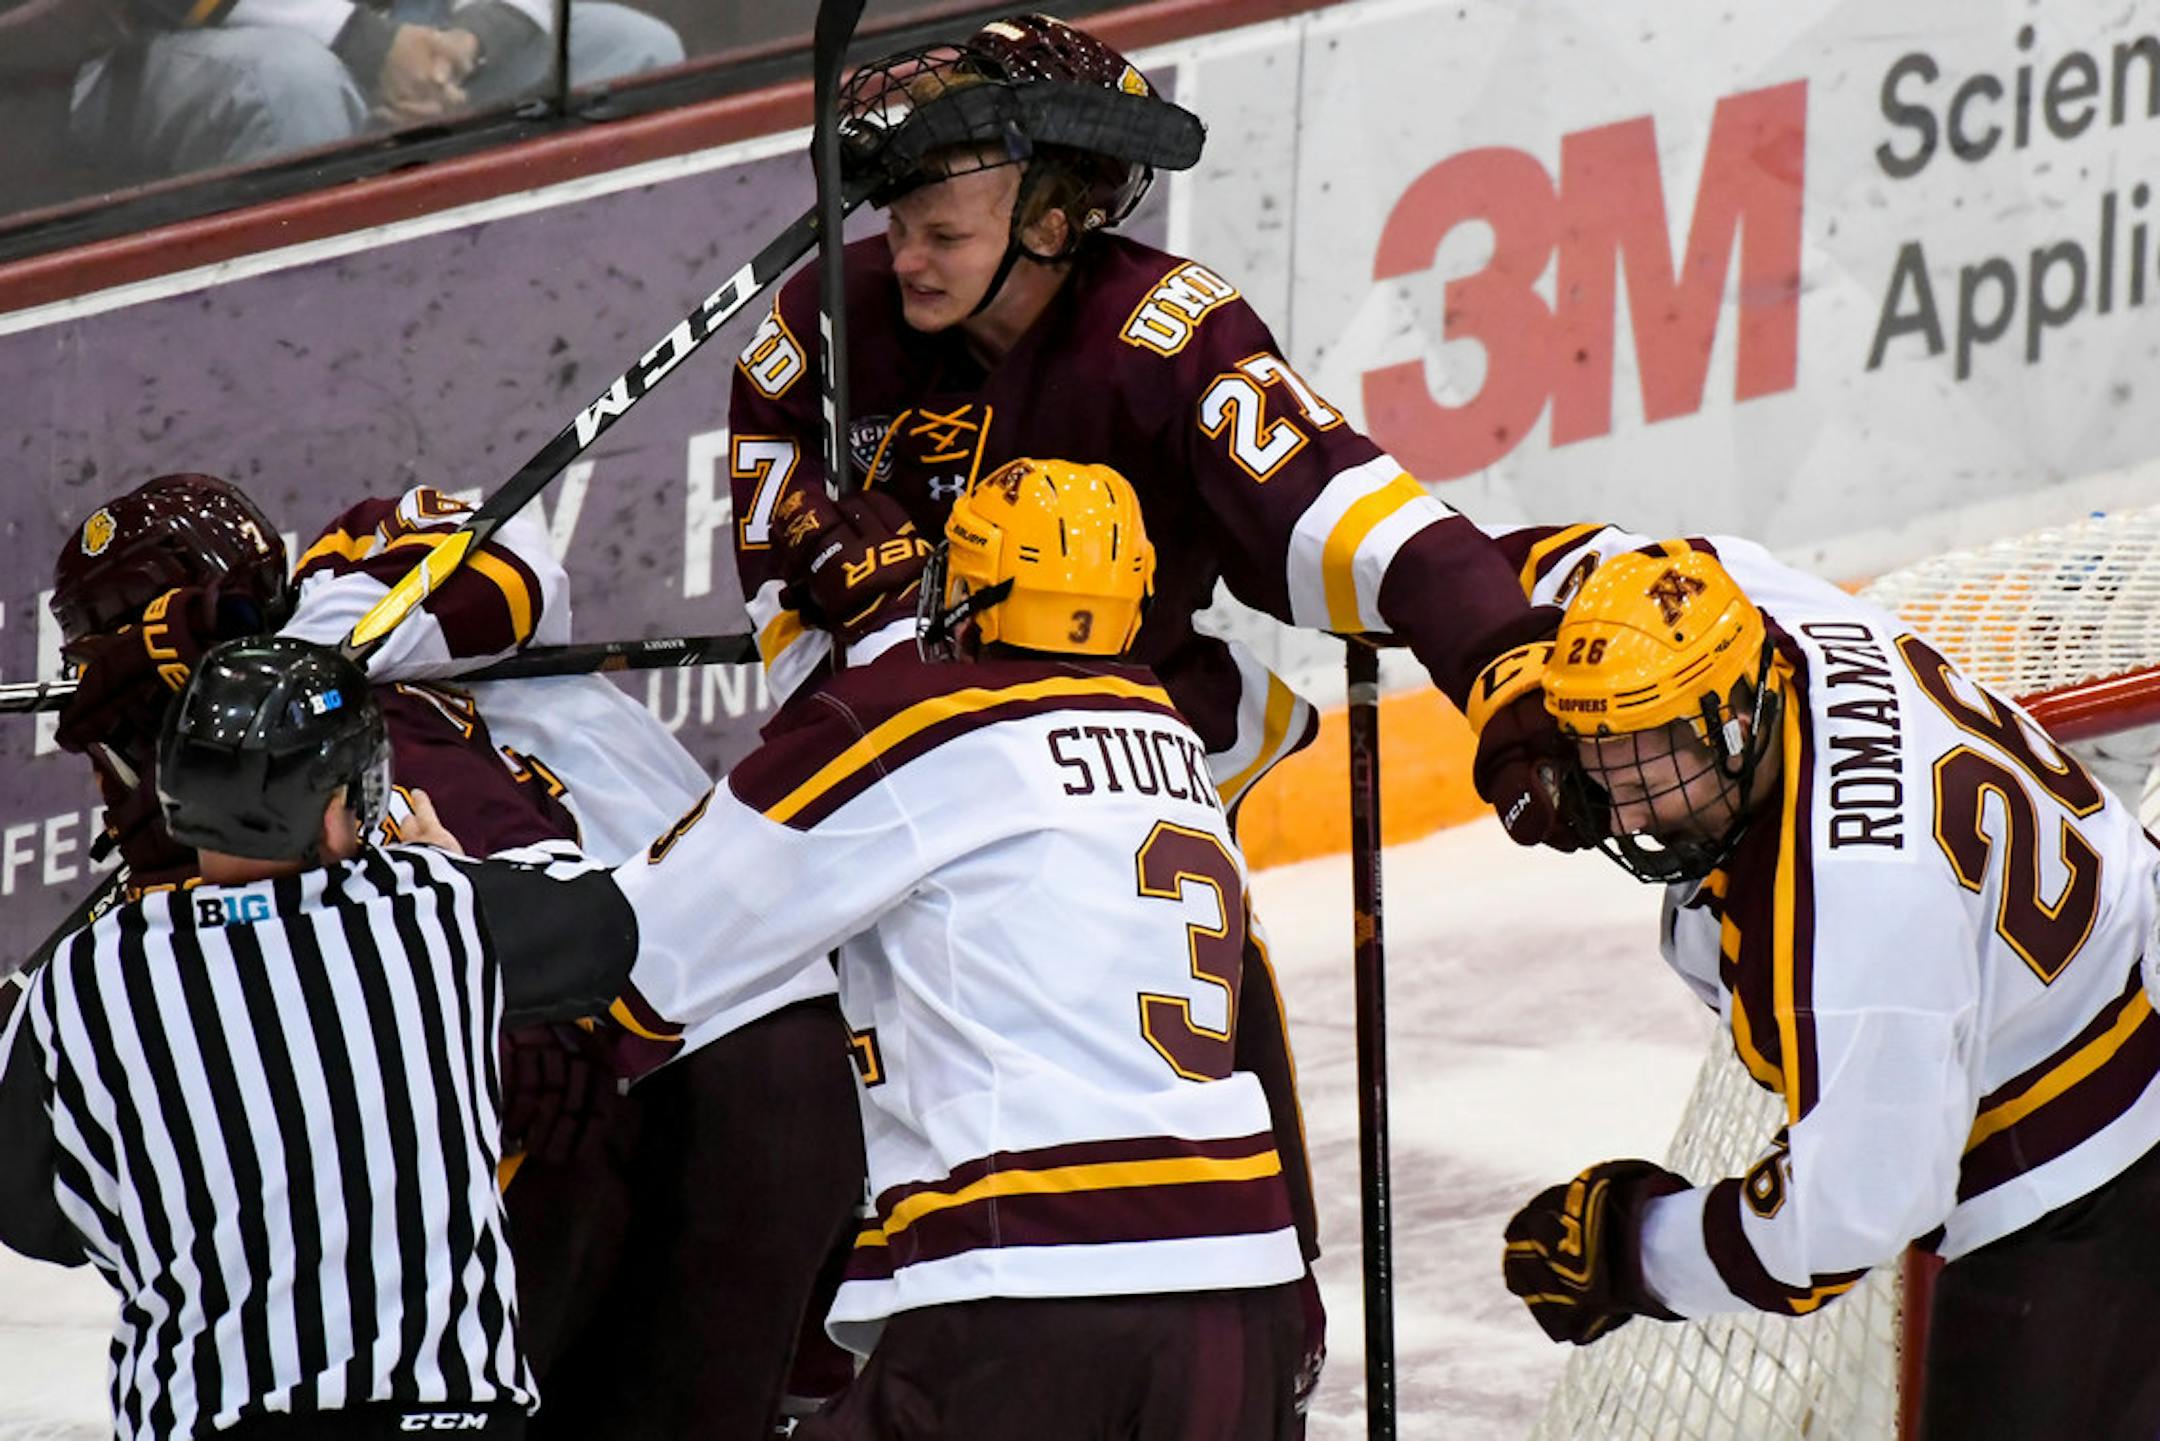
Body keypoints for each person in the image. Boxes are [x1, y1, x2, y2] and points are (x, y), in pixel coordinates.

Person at [728, 13, 1575, 1380]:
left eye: (946, 222)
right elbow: (784, 623)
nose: (910, 254)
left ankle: (1272, 1328)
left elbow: (1347, 511)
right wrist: (858, 608)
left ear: (1058, 212)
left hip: (1129, 766)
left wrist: (1505, 662)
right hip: (909, 780)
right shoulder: (817, 330)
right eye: (896, 219)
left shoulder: (1164, 330)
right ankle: (827, 1354)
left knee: (1183, 1006)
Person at [47, 472, 865, 1439]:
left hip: (726, 1042)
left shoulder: (351, 600)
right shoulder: (251, 815)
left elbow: (519, 573)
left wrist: (278, 666)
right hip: (659, 1068)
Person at [616, 458, 1309, 1439]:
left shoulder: (919, 721)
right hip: (1242, 1294)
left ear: (972, 589)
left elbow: (652, 947)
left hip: (1032, 1289)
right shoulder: (1174, 741)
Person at [1489, 529, 2160, 1440]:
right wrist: (1425, 594)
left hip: (2095, 1167)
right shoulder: (1747, 608)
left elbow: (1847, 1217)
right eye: (1605, 760)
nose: (1629, 810)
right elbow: (1573, 562)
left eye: (1653, 766)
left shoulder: (1854, 912)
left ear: (1733, 718)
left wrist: (1634, 1247)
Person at [0, 634, 639, 1439]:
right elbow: (605, 926)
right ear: (337, 806)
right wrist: (446, 859)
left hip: (212, 1418)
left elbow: (31, 1215)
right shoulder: (431, 908)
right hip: (444, 1415)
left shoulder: (86, 974)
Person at [67, 0, 681, 181]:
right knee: (287, 84)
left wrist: (472, 37)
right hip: (155, 43)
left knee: (630, 51)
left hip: (410, 23)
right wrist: (369, 44)